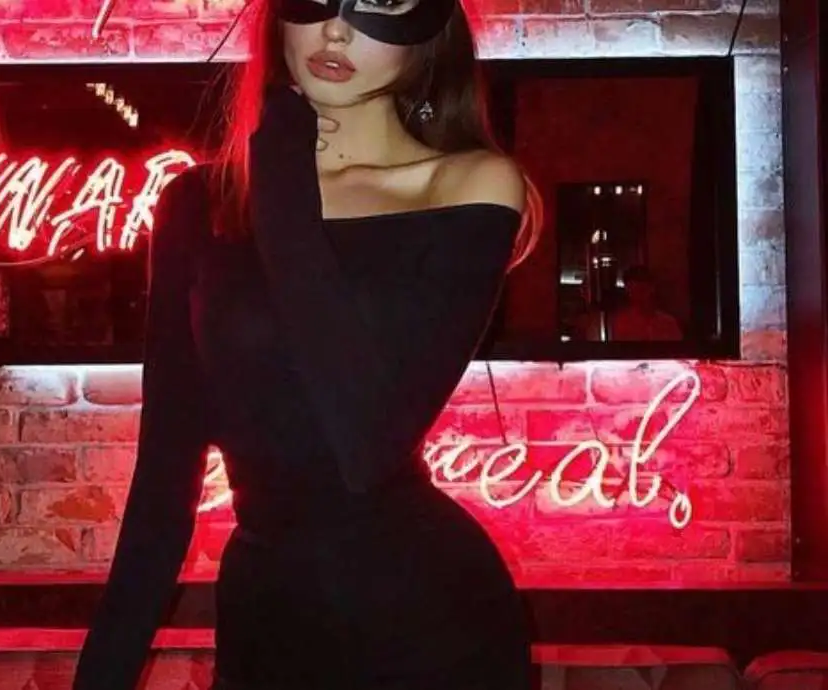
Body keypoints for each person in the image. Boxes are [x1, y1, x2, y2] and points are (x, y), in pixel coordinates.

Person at [73, 0, 542, 686]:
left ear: (430, 33)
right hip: (267, 618)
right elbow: (164, 475)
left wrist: (283, 184)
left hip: (427, 626)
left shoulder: (466, 185)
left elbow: (367, 442)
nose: (336, 29)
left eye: (380, 1)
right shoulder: (199, 202)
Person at [607, 264, 682, 341]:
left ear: (652, 288)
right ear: (628, 291)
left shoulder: (668, 323)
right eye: (633, 291)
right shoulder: (622, 323)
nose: (638, 296)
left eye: (642, 290)